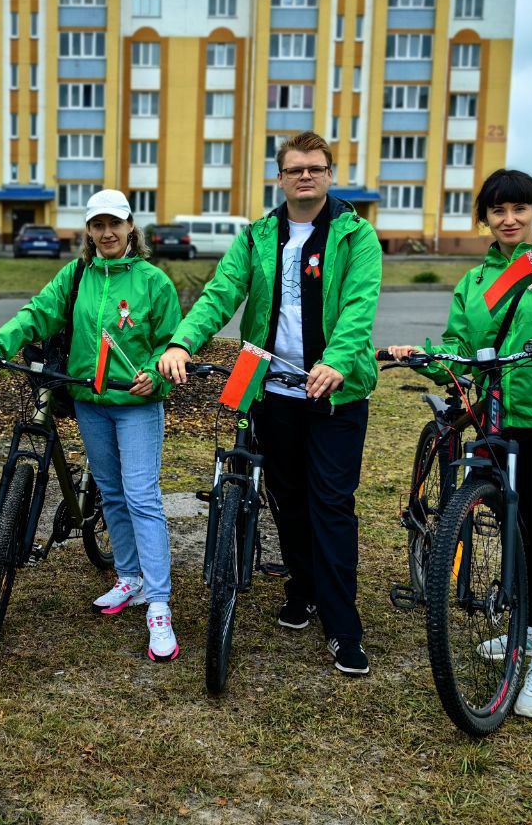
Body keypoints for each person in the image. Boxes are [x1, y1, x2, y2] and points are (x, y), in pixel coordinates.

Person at [385, 168, 532, 718]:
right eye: (498, 210)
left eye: (520, 208)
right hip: (498, 420)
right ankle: (525, 625)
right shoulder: (474, 283)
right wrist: (423, 357)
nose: (510, 219)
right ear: (485, 218)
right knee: (510, 528)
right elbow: (458, 351)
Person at [158, 130, 383, 675]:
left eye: (315, 168)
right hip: (272, 390)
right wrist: (183, 342)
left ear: (329, 175)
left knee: (331, 504)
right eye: (295, 169)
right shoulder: (258, 236)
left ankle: (343, 626)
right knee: (288, 498)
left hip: (334, 393)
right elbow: (220, 294)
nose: (305, 176)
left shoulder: (356, 237)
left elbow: (359, 307)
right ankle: (302, 589)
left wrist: (337, 360)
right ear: (280, 178)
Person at [0, 191, 184, 661]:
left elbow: (171, 343)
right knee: (112, 493)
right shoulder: (77, 274)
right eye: (97, 225)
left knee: (142, 496)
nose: (107, 233)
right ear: (88, 230)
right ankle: (130, 578)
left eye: (115, 224)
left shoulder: (153, 281)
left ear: (131, 227)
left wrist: (156, 374)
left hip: (137, 404)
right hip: (89, 401)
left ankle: (159, 604)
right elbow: (38, 313)